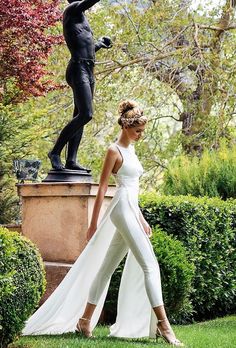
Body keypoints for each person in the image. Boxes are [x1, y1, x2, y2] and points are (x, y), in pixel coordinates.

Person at [22, 100, 183, 347]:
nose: (141, 135)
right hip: (119, 209)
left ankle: (85, 320)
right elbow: (103, 189)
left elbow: (134, 189)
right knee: (150, 265)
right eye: (137, 131)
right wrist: (93, 223)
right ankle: (164, 325)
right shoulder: (113, 151)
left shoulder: (132, 150)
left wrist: (141, 217)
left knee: (106, 268)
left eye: (142, 131)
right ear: (126, 127)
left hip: (131, 209)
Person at [48, 0, 112, 172]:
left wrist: (99, 43)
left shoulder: (82, 18)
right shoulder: (72, 9)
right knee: (86, 114)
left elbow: (84, 44)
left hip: (89, 69)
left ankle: (71, 160)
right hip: (78, 69)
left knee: (80, 115)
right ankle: (55, 152)